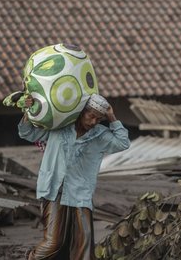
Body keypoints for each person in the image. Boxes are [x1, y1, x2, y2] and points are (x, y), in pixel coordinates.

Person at [18, 94, 130, 260]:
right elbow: (27, 133)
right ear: (81, 111)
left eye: (98, 119)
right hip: (53, 189)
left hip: (80, 193)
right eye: (91, 116)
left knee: (83, 245)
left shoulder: (100, 136)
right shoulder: (58, 127)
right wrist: (28, 110)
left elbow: (123, 142)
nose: (93, 122)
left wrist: (111, 116)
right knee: (53, 243)